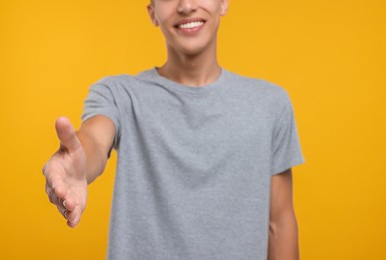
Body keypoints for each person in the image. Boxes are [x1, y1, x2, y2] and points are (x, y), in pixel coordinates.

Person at [42, 0, 305, 259]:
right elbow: (94, 141)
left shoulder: (270, 104)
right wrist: (79, 163)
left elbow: (279, 224)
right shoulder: (119, 95)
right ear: (152, 13)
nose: (186, 5)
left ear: (223, 3)